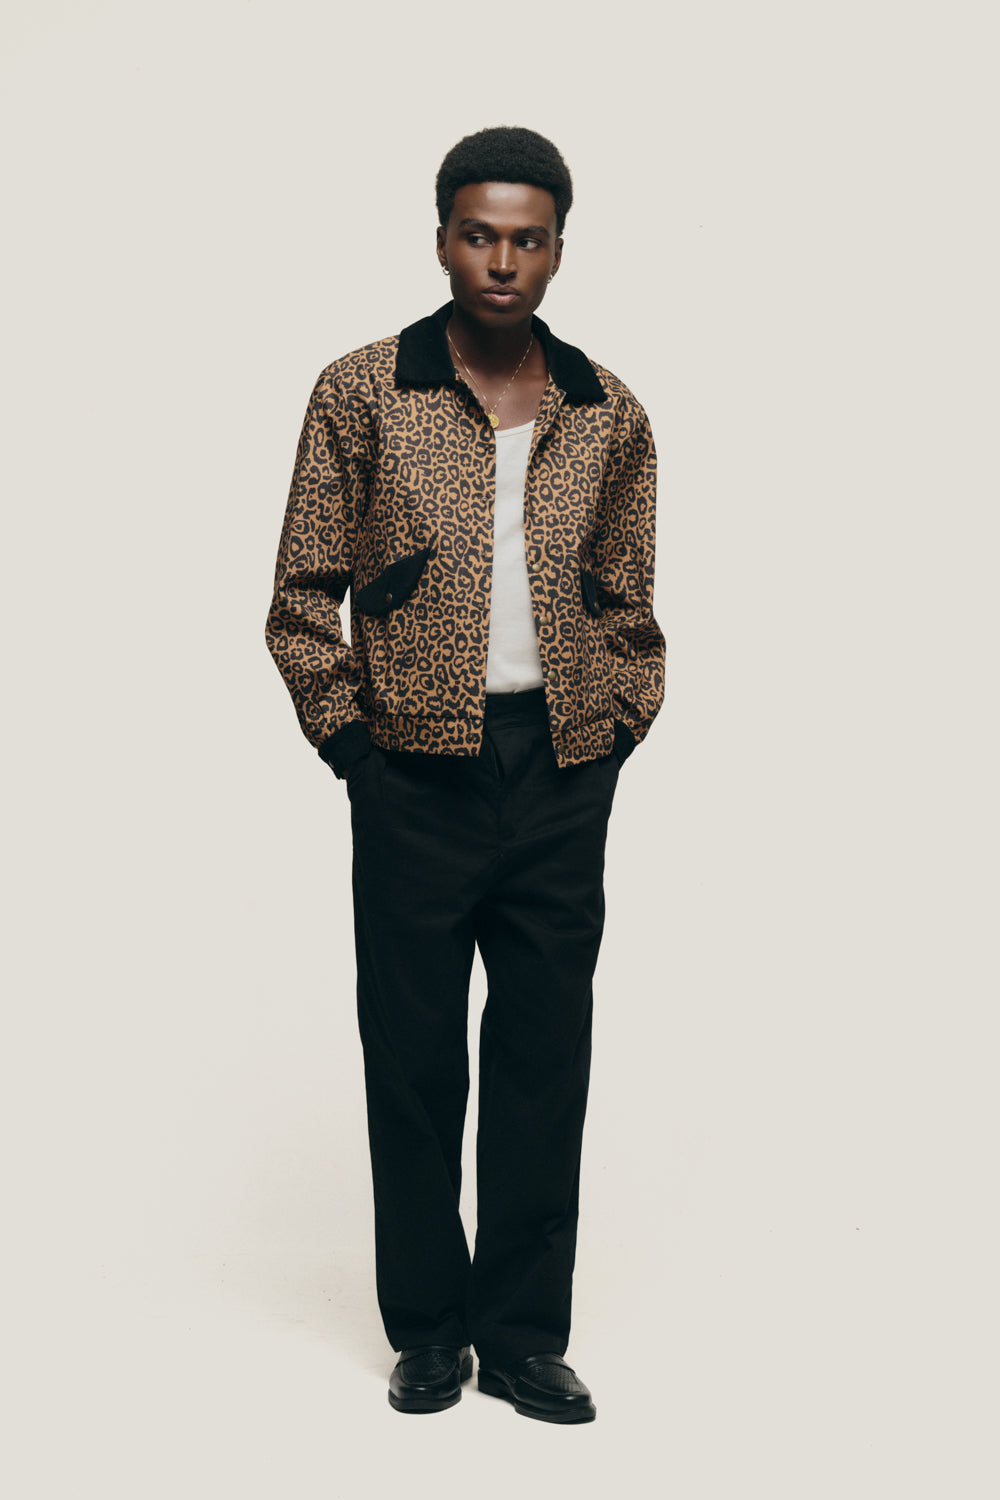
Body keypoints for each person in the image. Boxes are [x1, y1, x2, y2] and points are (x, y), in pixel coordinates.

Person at [265, 126, 665, 1424]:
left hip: (558, 772)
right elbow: (300, 596)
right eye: (479, 234)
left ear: (558, 251)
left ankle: (526, 1335)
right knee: (415, 1062)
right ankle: (429, 1330)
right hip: (413, 778)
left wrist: (614, 728)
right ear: (441, 239)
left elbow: (628, 598)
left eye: (527, 239)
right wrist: (354, 751)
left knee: (547, 1058)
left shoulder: (606, 409)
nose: (502, 261)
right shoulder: (364, 392)